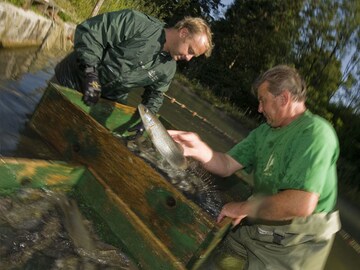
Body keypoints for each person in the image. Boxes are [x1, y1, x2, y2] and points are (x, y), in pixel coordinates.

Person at [169, 65, 341, 270]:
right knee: (213, 263)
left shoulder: (315, 133)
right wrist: (199, 149)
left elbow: (299, 204)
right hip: (258, 227)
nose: (259, 109)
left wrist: (241, 208)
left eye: (262, 100)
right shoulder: (264, 132)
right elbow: (226, 165)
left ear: (284, 98)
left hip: (294, 246)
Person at [52, 9, 213, 136]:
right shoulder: (136, 22)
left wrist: (147, 121)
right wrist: (90, 73)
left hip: (104, 101)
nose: (188, 58)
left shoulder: (169, 68)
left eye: (194, 56)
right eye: (190, 50)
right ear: (183, 32)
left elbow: (155, 96)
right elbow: (91, 34)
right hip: (70, 80)